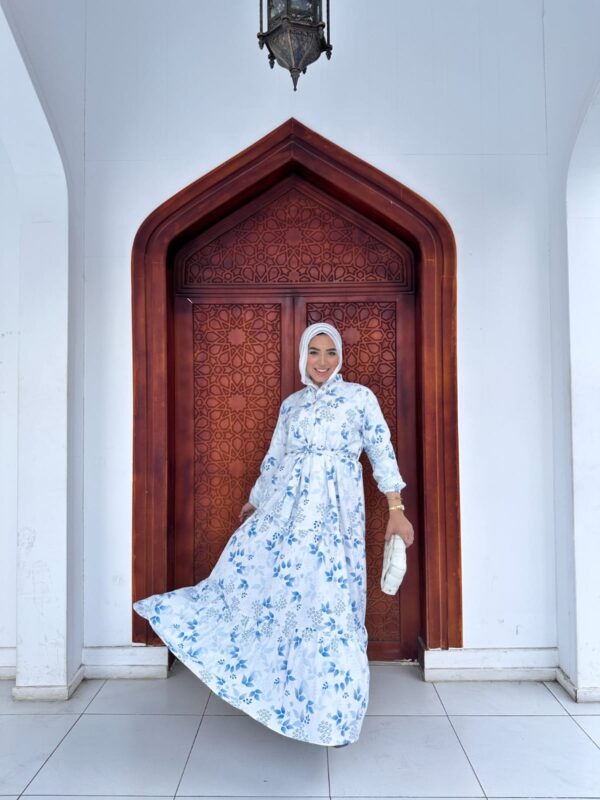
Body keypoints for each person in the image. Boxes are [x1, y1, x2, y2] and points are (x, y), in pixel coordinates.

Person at [133, 321, 414, 747]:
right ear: (303, 357)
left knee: (331, 601)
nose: (323, 361)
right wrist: (256, 500)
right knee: (279, 591)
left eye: (331, 352)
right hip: (286, 512)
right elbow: (275, 458)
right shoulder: (292, 406)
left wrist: (396, 508)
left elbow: (381, 451)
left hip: (337, 520)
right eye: (315, 352)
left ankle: (332, 714)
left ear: (340, 357)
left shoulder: (359, 399)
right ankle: (286, 696)